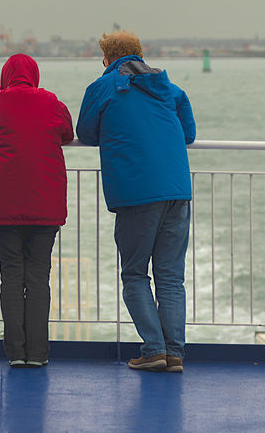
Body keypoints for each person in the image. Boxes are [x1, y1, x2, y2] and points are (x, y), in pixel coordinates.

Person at [76, 31, 196, 372]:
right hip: (177, 190)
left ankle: (154, 350)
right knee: (171, 278)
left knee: (134, 273)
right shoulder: (169, 88)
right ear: (140, 53)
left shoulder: (102, 88)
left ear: (106, 58)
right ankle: (175, 355)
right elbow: (188, 134)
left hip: (136, 194)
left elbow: (85, 132)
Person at [0, 53, 74, 368]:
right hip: (44, 205)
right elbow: (67, 135)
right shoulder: (52, 103)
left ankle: (16, 352)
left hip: (2, 205)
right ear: (35, 75)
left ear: (6, 76)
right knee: (39, 276)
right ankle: (38, 353)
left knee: (12, 275)